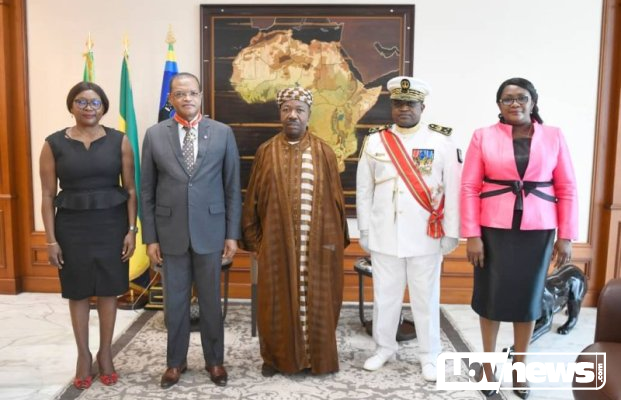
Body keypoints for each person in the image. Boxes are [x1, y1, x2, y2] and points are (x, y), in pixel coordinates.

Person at [460, 77, 578, 398]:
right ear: (499, 105)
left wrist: (566, 235)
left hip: (538, 229)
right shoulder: (482, 136)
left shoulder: (554, 136)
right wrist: (471, 235)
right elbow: (469, 187)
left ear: (533, 101)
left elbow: (567, 187)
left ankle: (520, 367)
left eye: (521, 98)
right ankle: (487, 366)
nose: (515, 103)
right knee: (491, 298)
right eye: (507, 99)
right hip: (492, 229)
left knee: (528, 301)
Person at [356, 76, 461, 381]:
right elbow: (364, 190)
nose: (404, 108)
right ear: (392, 106)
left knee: (425, 299)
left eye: (410, 103)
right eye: (399, 103)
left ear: (422, 107)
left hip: (426, 236)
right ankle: (384, 348)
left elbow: (453, 190)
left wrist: (451, 232)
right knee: (385, 297)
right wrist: (365, 230)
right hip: (384, 235)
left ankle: (430, 355)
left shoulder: (440, 141)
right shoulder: (375, 140)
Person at [141, 72, 241, 388]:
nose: (187, 98)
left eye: (192, 93)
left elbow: (232, 187)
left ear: (200, 96)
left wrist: (231, 234)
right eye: (180, 94)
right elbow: (147, 191)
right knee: (175, 304)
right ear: (171, 99)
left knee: (211, 302)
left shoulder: (222, 133)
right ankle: (175, 362)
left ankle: (215, 361)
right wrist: (150, 238)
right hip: (170, 233)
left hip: (210, 232)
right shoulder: (154, 135)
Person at [241, 86, 349, 376]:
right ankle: (275, 359)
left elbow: (337, 202)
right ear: (280, 114)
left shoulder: (324, 152)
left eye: (299, 110)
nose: (292, 115)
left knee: (319, 302)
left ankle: (317, 359)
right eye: (286, 109)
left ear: (308, 115)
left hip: (318, 246)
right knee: (274, 303)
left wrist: (334, 245)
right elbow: (252, 199)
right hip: (275, 245)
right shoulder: (266, 152)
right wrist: (256, 243)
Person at [39, 81, 137, 390]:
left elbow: (131, 189)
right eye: (81, 101)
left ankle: (105, 353)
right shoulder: (53, 143)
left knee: (109, 290)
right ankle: (83, 355)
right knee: (78, 291)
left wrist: (131, 230)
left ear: (104, 107)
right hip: (72, 227)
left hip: (112, 225)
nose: (88, 107)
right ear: (71, 106)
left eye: (95, 102)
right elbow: (46, 195)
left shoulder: (120, 141)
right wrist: (50, 240)